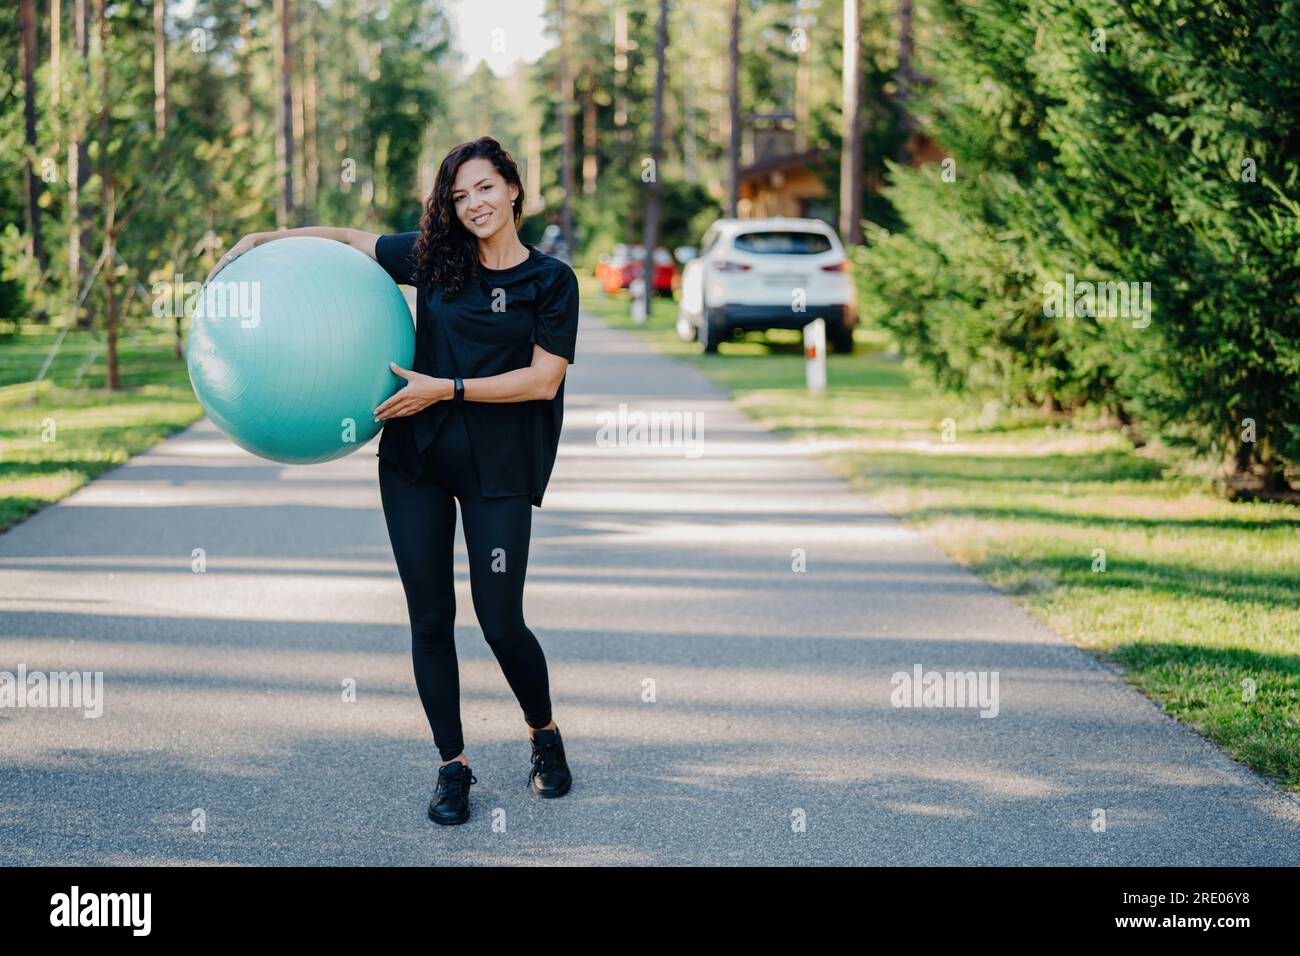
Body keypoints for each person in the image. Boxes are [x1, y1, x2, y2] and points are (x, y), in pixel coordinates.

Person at [205, 136, 580, 826]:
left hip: (499, 467)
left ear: (514, 189)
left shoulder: (550, 281)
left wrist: (446, 388)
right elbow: (349, 239)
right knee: (430, 618)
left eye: (486, 189)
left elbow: (542, 378)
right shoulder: (435, 260)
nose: (474, 205)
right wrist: (267, 236)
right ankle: (452, 766)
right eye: (460, 195)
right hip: (417, 462)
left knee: (500, 622)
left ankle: (544, 736)